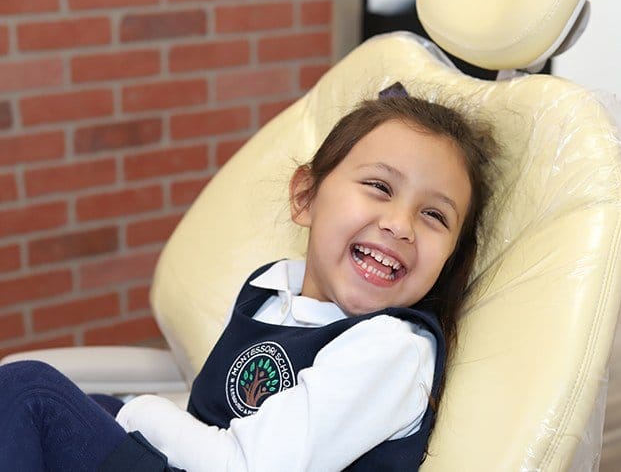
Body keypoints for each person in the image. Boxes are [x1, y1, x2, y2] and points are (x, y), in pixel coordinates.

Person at [0, 82, 498, 471]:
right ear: (305, 196)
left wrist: (140, 410)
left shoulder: (391, 348)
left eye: (435, 216)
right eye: (378, 186)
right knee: (86, 408)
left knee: (31, 394)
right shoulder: (274, 292)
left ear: (450, 260)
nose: (400, 224)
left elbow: (248, 465)